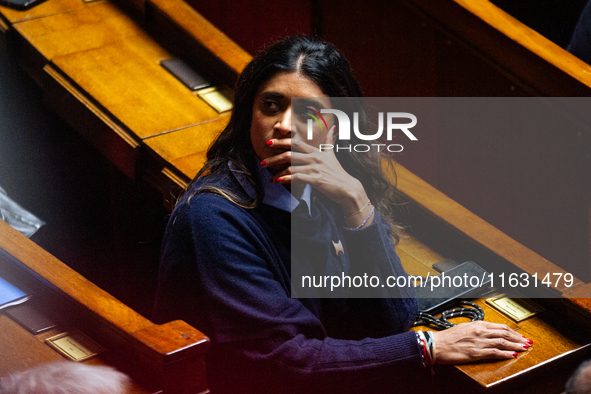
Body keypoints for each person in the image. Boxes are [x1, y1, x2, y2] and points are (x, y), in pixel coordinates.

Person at [152, 36, 533, 393]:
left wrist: (356, 204)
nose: (284, 124)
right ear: (249, 111)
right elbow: (285, 361)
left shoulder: (334, 183)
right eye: (271, 104)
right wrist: (426, 346)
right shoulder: (215, 215)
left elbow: (393, 316)